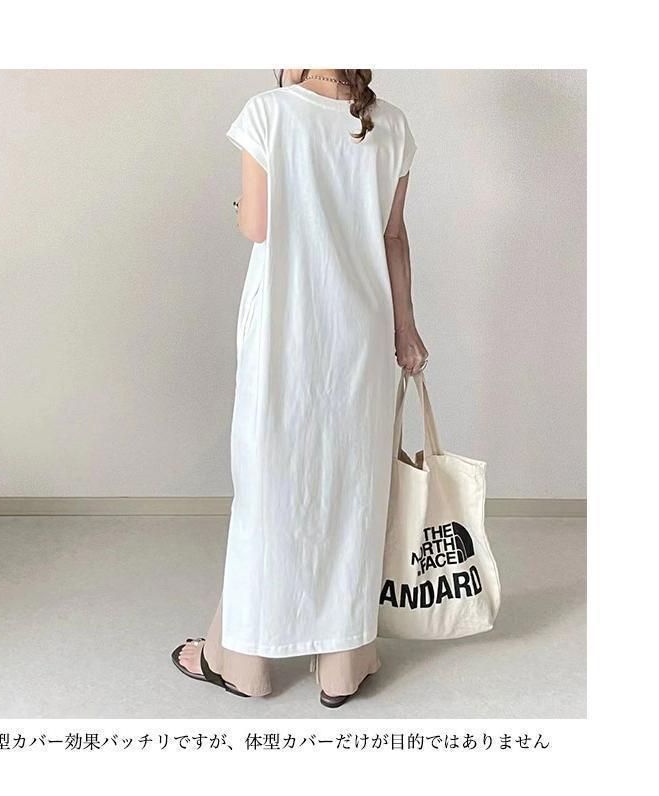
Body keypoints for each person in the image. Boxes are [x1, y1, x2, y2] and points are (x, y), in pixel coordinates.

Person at [171, 69, 429, 707]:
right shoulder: (392, 123)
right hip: (361, 333)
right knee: (353, 489)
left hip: (284, 330)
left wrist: (241, 206)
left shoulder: (269, 111)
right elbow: (393, 236)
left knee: (268, 490)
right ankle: (343, 663)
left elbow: (257, 227)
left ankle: (244, 661)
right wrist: (406, 329)